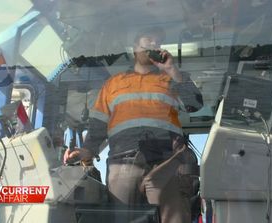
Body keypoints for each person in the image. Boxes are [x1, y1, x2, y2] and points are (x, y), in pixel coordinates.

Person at [64, 26, 203, 223]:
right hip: (123, 163)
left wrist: (172, 70)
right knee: (122, 219)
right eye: (148, 38)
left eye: (158, 40)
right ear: (134, 47)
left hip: (167, 162)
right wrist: (86, 152)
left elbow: (195, 105)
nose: (154, 43)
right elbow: (98, 125)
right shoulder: (113, 84)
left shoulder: (171, 79)